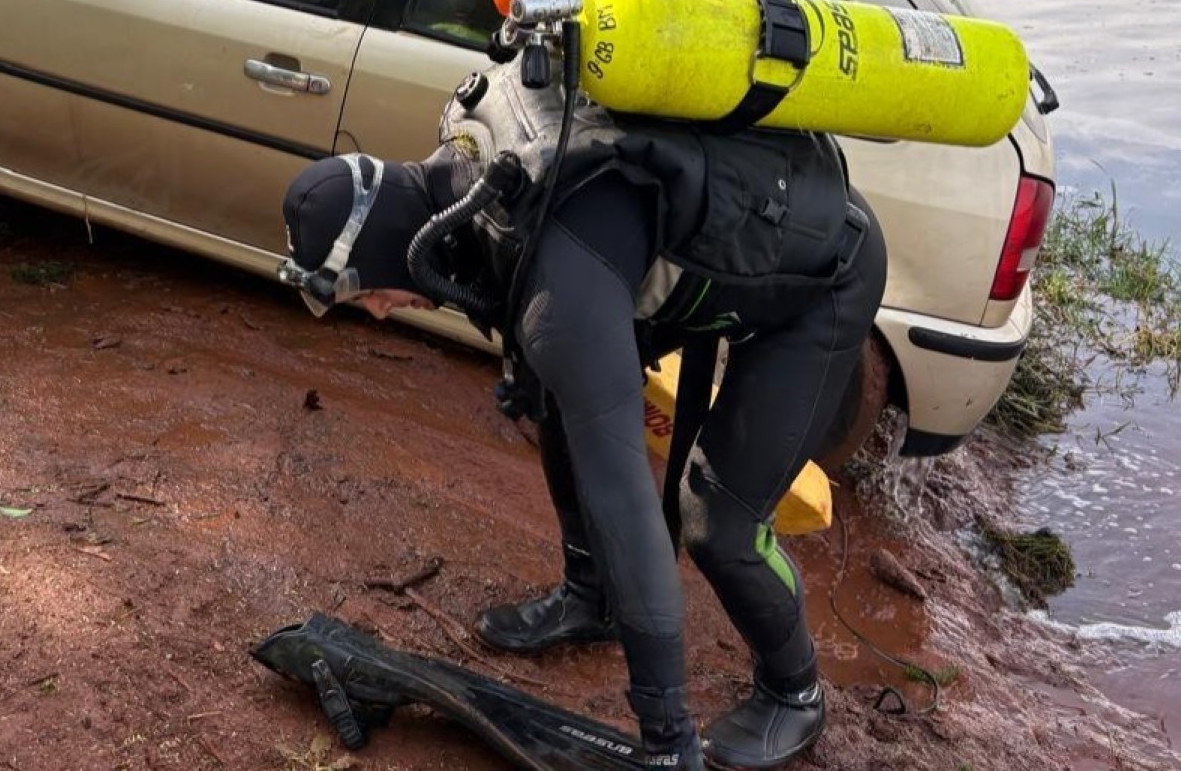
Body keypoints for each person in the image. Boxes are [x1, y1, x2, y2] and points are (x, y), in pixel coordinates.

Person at [278, 55, 888, 770]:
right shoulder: (468, 176)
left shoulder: (551, 278)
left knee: (715, 519)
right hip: (700, 262)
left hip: (821, 283)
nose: (381, 311)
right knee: (554, 400)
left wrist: (666, 736)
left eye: (366, 294)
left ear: (390, 249)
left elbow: (623, 495)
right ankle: (590, 597)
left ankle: (795, 691)